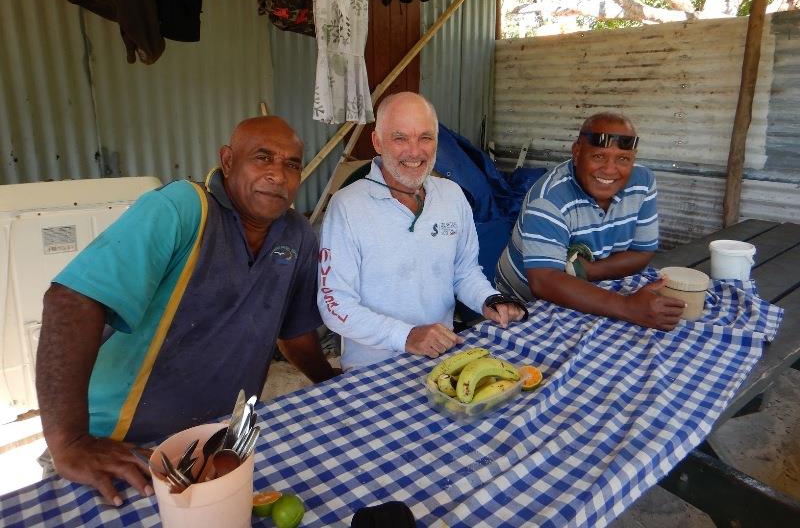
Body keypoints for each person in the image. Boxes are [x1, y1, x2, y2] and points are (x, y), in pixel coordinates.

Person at [35, 116, 339, 505]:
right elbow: (71, 301)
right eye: (262, 158)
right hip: (117, 445)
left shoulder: (295, 233)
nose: (278, 175)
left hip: (212, 445)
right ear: (228, 161)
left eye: (292, 164)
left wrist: (329, 382)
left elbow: (293, 333)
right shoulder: (181, 208)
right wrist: (70, 440)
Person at [317, 92, 526, 370]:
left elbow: (464, 272)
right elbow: (335, 305)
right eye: (400, 138)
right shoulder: (347, 207)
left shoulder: (452, 196)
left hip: (440, 356)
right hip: (372, 369)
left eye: (425, 138)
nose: (415, 151)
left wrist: (488, 300)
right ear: (377, 142)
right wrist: (406, 336)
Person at [494, 112, 685, 331]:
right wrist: (627, 306)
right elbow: (544, 281)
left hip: (594, 289)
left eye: (623, 159)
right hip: (521, 302)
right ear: (577, 153)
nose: (610, 170)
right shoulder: (549, 198)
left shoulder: (642, 183)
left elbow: (642, 252)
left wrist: (592, 271)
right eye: (598, 157)